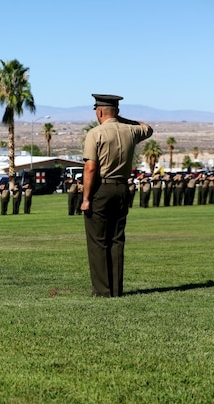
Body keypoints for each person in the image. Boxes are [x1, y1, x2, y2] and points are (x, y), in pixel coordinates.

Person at [80, 94, 153, 297]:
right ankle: (116, 289)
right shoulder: (131, 131)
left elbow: (91, 167)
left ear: (100, 111)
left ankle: (102, 290)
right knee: (117, 239)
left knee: (98, 241)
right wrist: (121, 120)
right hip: (122, 188)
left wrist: (86, 198)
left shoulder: (95, 133)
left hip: (101, 189)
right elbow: (148, 128)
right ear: (117, 111)